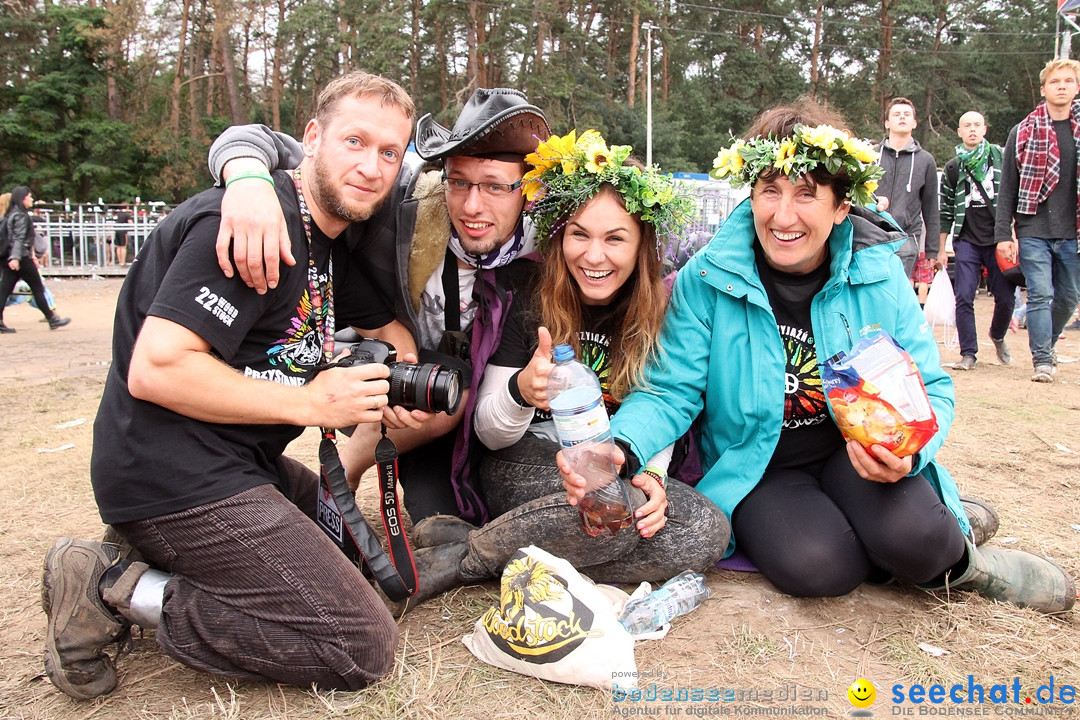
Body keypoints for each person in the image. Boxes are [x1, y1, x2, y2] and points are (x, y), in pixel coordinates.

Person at [562, 99, 1074, 614]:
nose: (784, 216)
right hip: (758, 465)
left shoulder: (878, 274)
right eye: (770, 192)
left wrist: (909, 456)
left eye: (807, 195)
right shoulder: (707, 277)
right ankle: (895, 533)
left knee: (922, 544)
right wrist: (622, 445)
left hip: (857, 456)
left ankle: (968, 565)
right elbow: (670, 389)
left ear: (841, 207)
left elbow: (932, 389)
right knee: (820, 568)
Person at [41, 71, 420, 701]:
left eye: (389, 152)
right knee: (359, 644)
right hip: (174, 477)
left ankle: (169, 559)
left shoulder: (325, 241)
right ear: (312, 138)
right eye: (355, 142)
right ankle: (115, 585)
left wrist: (394, 384)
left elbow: (386, 327)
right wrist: (307, 402)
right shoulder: (248, 223)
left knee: (350, 545)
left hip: (243, 463)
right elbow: (157, 366)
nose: (372, 167)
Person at [397, 130, 730, 610]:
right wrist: (519, 391)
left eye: (615, 238)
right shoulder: (530, 296)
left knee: (704, 531)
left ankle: (476, 546)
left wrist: (654, 476)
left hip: (618, 465)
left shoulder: (663, 306)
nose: (594, 257)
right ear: (560, 236)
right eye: (579, 235)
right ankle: (467, 561)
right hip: (527, 464)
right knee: (612, 512)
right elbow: (489, 433)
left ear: (641, 244)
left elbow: (666, 402)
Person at [207, 88, 551, 524]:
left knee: (469, 519)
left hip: (501, 406)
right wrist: (247, 181)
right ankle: (345, 473)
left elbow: (630, 246)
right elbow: (262, 142)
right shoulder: (400, 196)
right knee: (435, 513)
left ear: (529, 191)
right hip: (415, 400)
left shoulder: (555, 246)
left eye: (496, 187)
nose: (472, 205)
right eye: (459, 181)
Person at [995, 58, 1080, 384]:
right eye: (1055, 81)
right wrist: (1005, 233)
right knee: (1040, 294)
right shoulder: (1023, 132)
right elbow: (1008, 190)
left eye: (1068, 81)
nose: (1062, 86)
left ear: (1076, 87)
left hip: (1073, 231)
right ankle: (1042, 359)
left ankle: (1048, 340)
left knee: (1069, 297)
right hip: (1033, 228)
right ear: (1044, 89)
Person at [939, 111, 1015, 370]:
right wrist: (940, 249)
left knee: (1005, 297)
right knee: (964, 295)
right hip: (966, 239)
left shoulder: (1001, 158)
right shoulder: (952, 167)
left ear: (985, 129)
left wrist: (1013, 234)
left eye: (977, 125)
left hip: (998, 238)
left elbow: (1014, 194)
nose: (972, 129)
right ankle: (968, 352)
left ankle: (998, 334)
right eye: (966, 126)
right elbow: (945, 211)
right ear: (959, 131)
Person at [876, 97, 943, 282]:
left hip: (907, 237)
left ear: (914, 123)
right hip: (872, 236)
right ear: (887, 122)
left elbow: (931, 208)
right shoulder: (871, 156)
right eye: (896, 114)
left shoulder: (925, 160)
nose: (902, 117)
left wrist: (932, 249)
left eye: (907, 114)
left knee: (898, 291)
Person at [0, 186, 70, 333]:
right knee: (37, 288)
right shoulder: (20, 216)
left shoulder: (11, 214)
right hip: (20, 258)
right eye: (29, 196)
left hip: (12, 257)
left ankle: (51, 318)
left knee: (5, 290)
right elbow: (19, 239)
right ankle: (52, 318)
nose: (32, 199)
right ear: (22, 198)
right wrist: (17, 258)